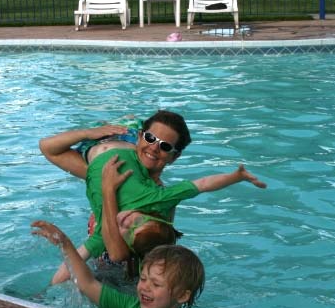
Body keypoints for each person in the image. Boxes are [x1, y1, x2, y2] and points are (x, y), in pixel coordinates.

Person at [40, 110, 266, 283]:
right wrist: (88, 133)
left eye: (165, 146)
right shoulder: (111, 169)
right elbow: (47, 147)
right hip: (112, 142)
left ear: (174, 157)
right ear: (140, 137)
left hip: (126, 251)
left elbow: (124, 251)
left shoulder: (156, 197)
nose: (154, 148)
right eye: (149, 138)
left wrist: (236, 176)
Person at [31, 220, 205, 308]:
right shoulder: (129, 307)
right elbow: (87, 283)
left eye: (156, 284)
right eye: (143, 279)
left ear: (182, 295)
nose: (145, 287)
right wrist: (65, 243)